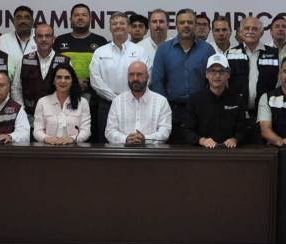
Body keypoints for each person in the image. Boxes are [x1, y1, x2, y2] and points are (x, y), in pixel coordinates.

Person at [150, 8, 216, 142]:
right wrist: (165, 108)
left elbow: (213, 81)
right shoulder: (163, 49)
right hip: (172, 110)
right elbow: (157, 82)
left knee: (201, 149)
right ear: (176, 25)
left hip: (201, 110)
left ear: (195, 25)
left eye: (190, 22)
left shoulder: (207, 50)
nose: (186, 25)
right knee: (173, 149)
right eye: (182, 22)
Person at [90, 12, 148, 142]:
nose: (118, 26)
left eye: (122, 23)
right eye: (114, 23)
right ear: (110, 28)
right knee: (106, 143)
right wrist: (116, 99)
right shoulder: (100, 52)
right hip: (106, 105)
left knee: (134, 141)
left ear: (128, 27)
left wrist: (128, 98)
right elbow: (95, 80)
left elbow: (145, 76)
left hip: (135, 104)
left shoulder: (140, 51)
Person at [181, 54, 250, 148]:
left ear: (228, 74)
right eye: (213, 71)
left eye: (221, 71)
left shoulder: (238, 100)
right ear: (206, 74)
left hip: (231, 151)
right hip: (202, 151)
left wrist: (235, 139)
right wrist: (202, 140)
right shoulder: (194, 100)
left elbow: (244, 129)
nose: (217, 75)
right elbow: (187, 130)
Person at [105, 61, 173, 145]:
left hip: (152, 151)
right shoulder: (117, 101)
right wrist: (126, 139)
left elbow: (165, 132)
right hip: (123, 150)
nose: (135, 79)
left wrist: (145, 139)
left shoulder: (161, 102)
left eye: (139, 74)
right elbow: (110, 132)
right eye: (131, 75)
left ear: (147, 77)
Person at [12, 23, 71, 117]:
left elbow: (71, 89)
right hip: (29, 115)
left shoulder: (65, 61)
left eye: (47, 36)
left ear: (53, 39)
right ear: (35, 39)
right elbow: (16, 87)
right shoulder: (24, 60)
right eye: (40, 36)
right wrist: (21, 111)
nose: (44, 39)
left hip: (58, 115)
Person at [226, 16, 280, 116]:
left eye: (255, 29)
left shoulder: (274, 54)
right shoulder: (230, 54)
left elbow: (280, 82)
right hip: (237, 111)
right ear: (240, 32)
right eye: (247, 28)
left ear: (262, 33)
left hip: (267, 111)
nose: (250, 31)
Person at [55, 3, 108, 92]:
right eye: (76, 15)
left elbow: (105, 70)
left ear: (90, 19)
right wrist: (74, 82)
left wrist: (88, 83)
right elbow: (54, 68)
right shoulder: (60, 40)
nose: (80, 18)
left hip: (94, 94)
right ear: (70, 19)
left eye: (84, 15)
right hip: (65, 92)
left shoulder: (101, 41)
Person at [33, 64, 92, 144]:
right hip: (49, 147)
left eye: (67, 78)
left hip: (74, 148)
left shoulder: (82, 103)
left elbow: (86, 131)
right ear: (53, 81)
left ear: (72, 81)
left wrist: (72, 139)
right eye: (59, 77)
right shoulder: (42, 102)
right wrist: (46, 139)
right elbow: (37, 131)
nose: (63, 81)